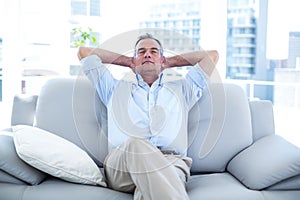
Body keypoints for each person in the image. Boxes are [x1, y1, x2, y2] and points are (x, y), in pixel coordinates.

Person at [78, 33, 218, 200]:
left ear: (162, 59)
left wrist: (168, 62)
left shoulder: (183, 90)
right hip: (123, 164)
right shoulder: (112, 89)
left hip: (171, 162)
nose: (147, 54)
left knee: (148, 190)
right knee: (136, 144)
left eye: (154, 51)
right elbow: (84, 52)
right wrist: (128, 61)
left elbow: (211, 56)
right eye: (141, 52)